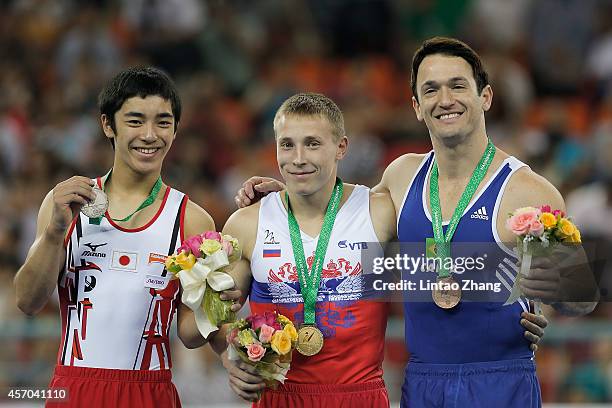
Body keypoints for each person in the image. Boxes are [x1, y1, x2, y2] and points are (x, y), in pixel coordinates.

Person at [234, 37, 597, 407]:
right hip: (423, 384)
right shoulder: (401, 177)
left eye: (457, 85)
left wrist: (556, 299)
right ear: (416, 107)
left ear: (485, 96)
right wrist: (288, 197)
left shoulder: (528, 191)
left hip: (499, 380)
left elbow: (581, 297)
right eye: (431, 90)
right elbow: (341, 217)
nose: (445, 99)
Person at [13, 67, 239, 408]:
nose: (150, 135)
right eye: (135, 121)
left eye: (163, 122)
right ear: (108, 125)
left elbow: (191, 334)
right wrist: (54, 231)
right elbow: (28, 302)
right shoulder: (67, 203)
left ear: (176, 130)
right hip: (75, 391)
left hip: (150, 393)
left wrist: (220, 314)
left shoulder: (192, 219)